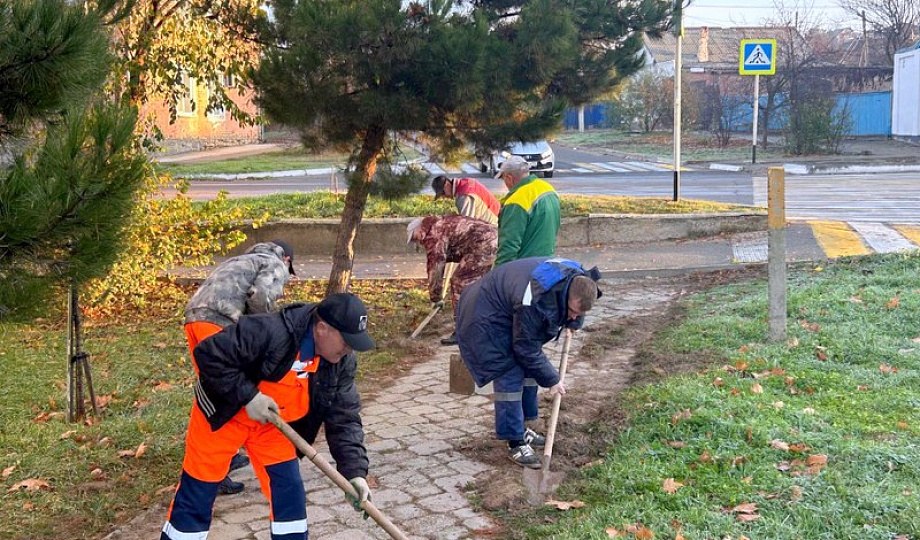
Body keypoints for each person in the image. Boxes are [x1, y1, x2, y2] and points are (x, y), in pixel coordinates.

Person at [161, 293, 375, 540]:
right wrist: (249, 397)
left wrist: (355, 473)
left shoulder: (340, 361)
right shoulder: (269, 331)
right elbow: (208, 355)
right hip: (224, 418)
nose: (349, 349)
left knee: (289, 494)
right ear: (322, 328)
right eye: (346, 341)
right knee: (199, 492)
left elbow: (344, 416)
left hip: (274, 427)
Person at [455, 257, 602, 468]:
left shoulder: (580, 279)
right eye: (572, 311)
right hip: (485, 316)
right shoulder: (532, 299)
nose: (573, 316)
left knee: (530, 371)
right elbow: (526, 347)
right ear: (566, 294)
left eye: (579, 314)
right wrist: (552, 380)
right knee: (510, 373)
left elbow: (576, 306)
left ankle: (522, 427)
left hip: (508, 308)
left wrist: (574, 321)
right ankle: (515, 442)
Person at [183, 239, 297, 495]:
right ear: (287, 260)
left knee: (217, 389)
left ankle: (227, 453)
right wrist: (264, 334)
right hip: (220, 323)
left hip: (194, 320)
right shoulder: (274, 263)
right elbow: (261, 298)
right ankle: (217, 469)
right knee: (230, 394)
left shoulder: (240, 260)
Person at [406, 215, 498, 345]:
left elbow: (435, 267)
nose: (418, 242)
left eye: (415, 238)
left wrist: (435, 297)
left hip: (483, 244)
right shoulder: (441, 223)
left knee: (459, 281)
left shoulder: (433, 234)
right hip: (491, 239)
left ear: (420, 228)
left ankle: (464, 331)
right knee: (477, 286)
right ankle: (484, 326)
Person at [493, 156, 561, 267]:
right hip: (547, 264)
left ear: (509, 178)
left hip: (525, 268)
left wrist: (497, 277)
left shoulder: (517, 201)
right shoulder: (548, 189)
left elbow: (509, 247)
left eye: (503, 178)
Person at [431, 175, 501, 225]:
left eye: (442, 193)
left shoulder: (464, 195)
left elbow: (467, 224)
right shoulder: (466, 182)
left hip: (493, 226)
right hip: (500, 218)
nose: (443, 197)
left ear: (447, 185)